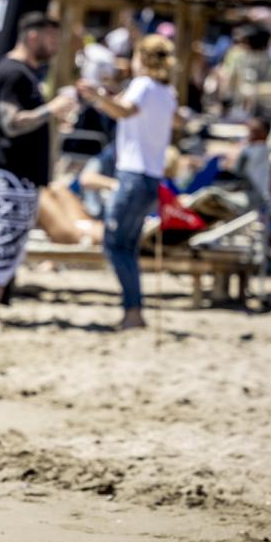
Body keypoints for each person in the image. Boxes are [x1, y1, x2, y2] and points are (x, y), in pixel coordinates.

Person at [0, 12, 77, 323]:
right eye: (51, 38)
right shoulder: (14, 72)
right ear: (32, 36)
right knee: (1, 240)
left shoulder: (21, 72)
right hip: (7, 171)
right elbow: (11, 123)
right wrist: (50, 109)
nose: (55, 45)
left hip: (13, 172)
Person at [78, 34, 179, 329]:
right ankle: (133, 310)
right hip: (152, 179)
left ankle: (133, 310)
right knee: (128, 247)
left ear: (142, 59)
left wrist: (96, 96)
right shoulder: (166, 91)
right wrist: (105, 95)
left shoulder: (143, 85)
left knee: (116, 245)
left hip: (133, 175)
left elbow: (124, 111)